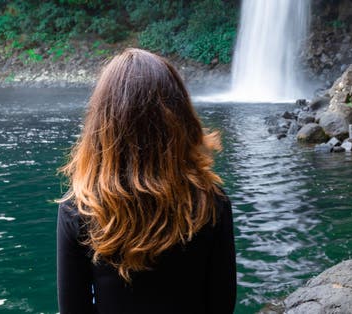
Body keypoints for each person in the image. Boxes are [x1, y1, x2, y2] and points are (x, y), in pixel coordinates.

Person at [56, 48, 237, 314]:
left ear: (102, 125)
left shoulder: (79, 208)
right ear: (180, 118)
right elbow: (221, 304)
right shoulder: (211, 202)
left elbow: (74, 310)